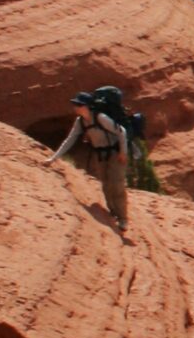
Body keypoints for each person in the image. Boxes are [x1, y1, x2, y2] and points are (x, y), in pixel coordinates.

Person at [49, 89, 133, 232]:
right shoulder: (80, 121)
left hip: (115, 153)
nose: (75, 107)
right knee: (106, 185)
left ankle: (123, 219)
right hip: (99, 155)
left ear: (86, 106)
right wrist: (54, 157)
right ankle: (113, 212)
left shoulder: (100, 118)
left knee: (117, 185)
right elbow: (70, 139)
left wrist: (123, 153)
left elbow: (121, 132)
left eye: (78, 104)